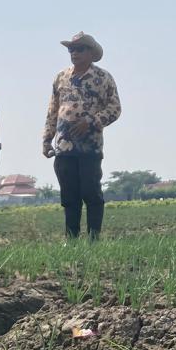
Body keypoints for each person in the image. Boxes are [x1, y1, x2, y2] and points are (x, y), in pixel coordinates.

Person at [41, 31, 121, 240]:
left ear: (91, 52)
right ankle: (72, 239)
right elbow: (52, 110)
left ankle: (94, 238)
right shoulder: (61, 77)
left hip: (89, 147)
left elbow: (115, 108)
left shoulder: (102, 78)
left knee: (91, 192)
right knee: (69, 196)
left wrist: (92, 121)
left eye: (79, 49)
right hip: (64, 147)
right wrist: (46, 139)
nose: (74, 53)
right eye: (71, 50)